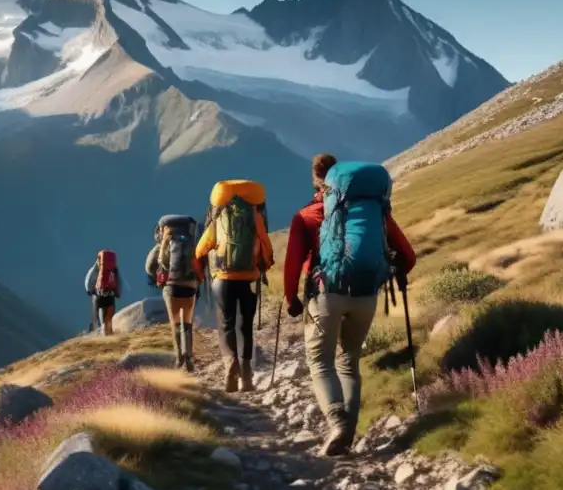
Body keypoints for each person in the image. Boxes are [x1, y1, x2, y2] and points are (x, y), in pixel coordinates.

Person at [283, 154, 416, 456]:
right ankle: (348, 433)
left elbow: (292, 264)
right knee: (349, 361)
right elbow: (408, 256)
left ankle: (336, 423)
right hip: (366, 295)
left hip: (326, 294)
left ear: (317, 181)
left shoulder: (306, 216)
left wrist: (292, 298)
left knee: (320, 362)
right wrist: (391, 271)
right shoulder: (375, 212)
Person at [196, 180, 275, 393]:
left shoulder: (218, 217)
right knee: (246, 327)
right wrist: (264, 265)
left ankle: (231, 368)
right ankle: (247, 379)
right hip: (249, 278)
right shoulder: (255, 216)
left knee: (227, 324)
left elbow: (201, 249)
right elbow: (266, 245)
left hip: (222, 279)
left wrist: (204, 266)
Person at [145, 214, 204, 372]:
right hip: (190, 286)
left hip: (171, 286)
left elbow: (149, 267)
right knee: (188, 323)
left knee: (175, 323)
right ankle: (189, 357)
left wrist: (160, 278)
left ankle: (179, 358)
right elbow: (202, 263)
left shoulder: (161, 245)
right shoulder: (192, 242)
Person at [84, 249, 121, 336]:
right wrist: (117, 292)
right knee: (109, 319)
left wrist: (89, 291)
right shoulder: (114, 269)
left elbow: (88, 281)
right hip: (110, 296)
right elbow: (119, 281)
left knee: (99, 319)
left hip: (98, 296)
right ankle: (109, 334)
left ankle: (100, 334)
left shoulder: (95, 268)